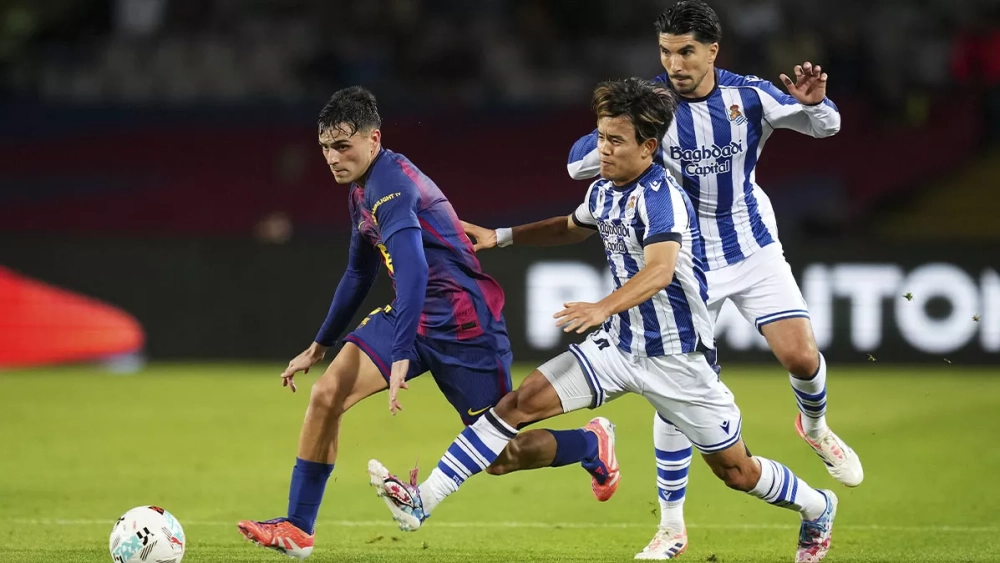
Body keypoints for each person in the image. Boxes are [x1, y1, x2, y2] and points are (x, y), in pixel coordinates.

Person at [369, 77, 839, 563]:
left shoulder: (663, 198)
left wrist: (601, 306)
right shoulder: (605, 190)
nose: (604, 150)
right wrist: (501, 236)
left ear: (648, 147)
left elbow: (658, 270)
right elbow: (573, 227)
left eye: (616, 141)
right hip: (617, 347)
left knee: (736, 471)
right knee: (517, 405)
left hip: (677, 359)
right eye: (601, 138)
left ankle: (817, 506)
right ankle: (422, 501)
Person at [565, 2, 863, 555]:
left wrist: (816, 104)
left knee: (801, 357)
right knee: (678, 393)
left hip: (751, 246)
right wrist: (611, 138)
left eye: (685, 52)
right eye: (665, 51)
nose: (674, 63)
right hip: (686, 263)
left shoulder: (747, 95)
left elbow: (827, 126)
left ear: (712, 52)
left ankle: (816, 428)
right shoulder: (649, 106)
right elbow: (579, 162)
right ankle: (672, 524)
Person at [237, 86, 533, 559]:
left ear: (373, 139)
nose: (333, 158)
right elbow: (360, 271)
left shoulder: (389, 185)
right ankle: (298, 527)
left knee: (501, 455)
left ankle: (590, 444)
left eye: (342, 146)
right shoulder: (361, 188)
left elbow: (414, 269)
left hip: (464, 323)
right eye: (326, 149)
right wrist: (320, 346)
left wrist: (399, 354)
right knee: (326, 395)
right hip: (413, 315)